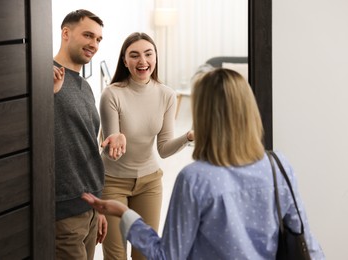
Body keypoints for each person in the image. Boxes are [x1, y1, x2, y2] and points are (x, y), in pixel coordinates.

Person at [83, 68, 325, 259]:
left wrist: (125, 214)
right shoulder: (278, 166)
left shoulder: (195, 179)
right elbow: (306, 242)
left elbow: (166, 255)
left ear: (203, 115)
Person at [99, 32, 194, 259]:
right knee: (115, 255)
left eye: (148, 54)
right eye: (134, 55)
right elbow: (111, 148)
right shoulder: (112, 94)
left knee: (146, 253)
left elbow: (163, 148)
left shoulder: (167, 95)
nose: (142, 61)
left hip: (149, 183)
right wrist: (114, 142)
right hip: (113, 182)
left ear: (155, 57)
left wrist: (188, 137)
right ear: (125, 61)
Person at [52, 9, 126, 260]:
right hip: (63, 214)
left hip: (90, 207)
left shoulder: (85, 86)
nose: (94, 44)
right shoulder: (43, 76)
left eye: (98, 39)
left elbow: (86, 146)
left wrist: (99, 207)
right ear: (66, 33)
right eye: (88, 35)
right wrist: (46, 94)